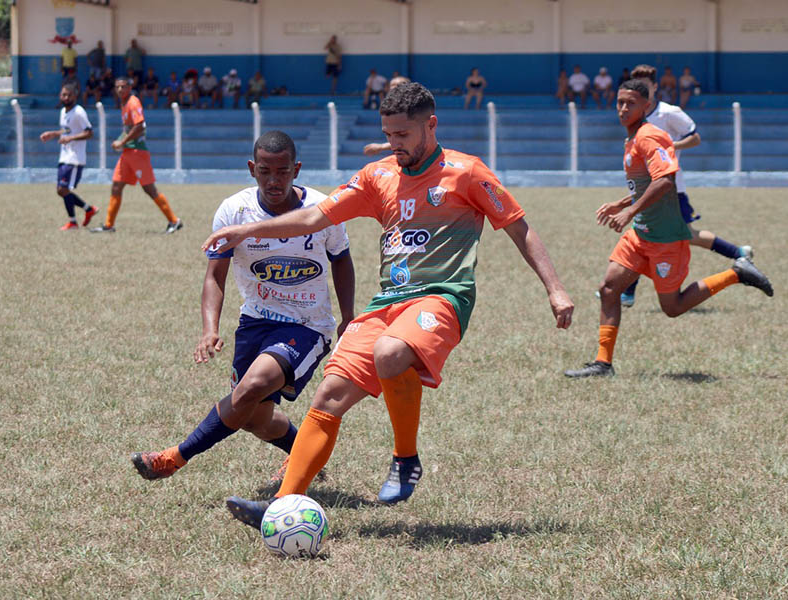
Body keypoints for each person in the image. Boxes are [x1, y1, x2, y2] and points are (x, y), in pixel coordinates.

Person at [208, 82, 574, 527]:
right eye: (389, 134)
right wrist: (249, 232)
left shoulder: (467, 172)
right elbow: (313, 216)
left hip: (442, 297)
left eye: (402, 135)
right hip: (388, 303)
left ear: (430, 125)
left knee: (389, 352)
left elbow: (519, 227)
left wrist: (555, 289)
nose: (394, 144)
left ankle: (405, 458)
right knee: (329, 394)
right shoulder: (377, 175)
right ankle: (282, 503)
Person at [131, 130, 355, 484]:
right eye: (265, 171)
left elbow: (341, 260)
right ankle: (302, 455)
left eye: (282, 171)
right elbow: (214, 276)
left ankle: (173, 458)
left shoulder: (321, 209)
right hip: (255, 320)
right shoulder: (234, 211)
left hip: (307, 325)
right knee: (254, 418)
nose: (274, 180)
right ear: (252, 169)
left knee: (252, 387)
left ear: (296, 169)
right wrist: (210, 329)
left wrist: (348, 318)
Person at [564, 80, 772, 379]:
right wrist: (621, 203)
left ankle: (737, 273)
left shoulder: (650, 136)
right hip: (641, 233)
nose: (623, 108)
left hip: (665, 239)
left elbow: (665, 181)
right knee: (609, 289)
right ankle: (602, 363)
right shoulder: (632, 138)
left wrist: (629, 211)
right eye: (620, 102)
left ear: (646, 106)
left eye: (631, 103)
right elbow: (647, 183)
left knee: (672, 307)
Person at [612, 64, 756, 308]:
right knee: (659, 234)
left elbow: (695, 137)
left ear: (655, 87)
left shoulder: (669, 112)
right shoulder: (635, 115)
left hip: (670, 188)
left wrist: (668, 148)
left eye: (645, 85)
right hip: (650, 188)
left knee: (660, 235)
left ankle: (626, 291)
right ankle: (738, 255)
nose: (639, 90)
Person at [91, 78, 182, 234]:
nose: (120, 89)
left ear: (130, 87)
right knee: (116, 186)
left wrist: (122, 141)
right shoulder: (124, 103)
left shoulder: (133, 102)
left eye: (123, 86)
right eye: (117, 87)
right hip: (127, 152)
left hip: (137, 152)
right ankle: (108, 225)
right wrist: (120, 141)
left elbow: (139, 126)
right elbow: (129, 129)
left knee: (149, 189)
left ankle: (174, 221)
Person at [39, 83, 99, 231]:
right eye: (63, 95)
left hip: (75, 158)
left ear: (75, 96)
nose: (65, 97)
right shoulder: (63, 112)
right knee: (61, 190)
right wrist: (53, 134)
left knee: (62, 189)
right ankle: (86, 211)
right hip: (64, 156)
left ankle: (76, 219)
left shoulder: (79, 112)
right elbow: (66, 130)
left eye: (68, 95)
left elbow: (89, 132)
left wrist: (70, 138)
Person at [362, 75, 412, 157]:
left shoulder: (413, 109)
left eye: (398, 84)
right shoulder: (392, 109)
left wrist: (381, 147)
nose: (393, 87)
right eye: (392, 85)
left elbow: (410, 140)